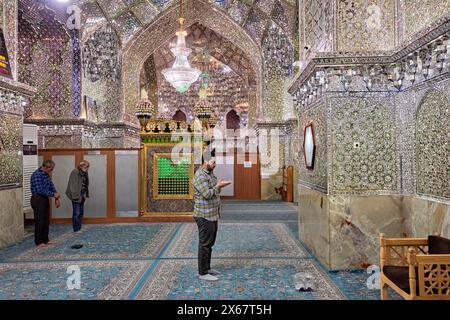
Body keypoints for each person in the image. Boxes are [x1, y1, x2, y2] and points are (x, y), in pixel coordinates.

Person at [192, 150, 231, 281]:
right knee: (204, 243)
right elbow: (207, 194)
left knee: (210, 243)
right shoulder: (200, 176)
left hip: (212, 214)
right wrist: (218, 186)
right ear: (205, 161)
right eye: (213, 162)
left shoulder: (209, 173)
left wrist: (218, 185)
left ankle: (207, 267)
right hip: (204, 215)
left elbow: (213, 190)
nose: (215, 165)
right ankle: (202, 273)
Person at [30, 160, 60, 247]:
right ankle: (39, 242)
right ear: (45, 167)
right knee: (40, 221)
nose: (51, 171)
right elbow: (40, 190)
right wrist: (53, 194)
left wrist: (56, 197)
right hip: (37, 199)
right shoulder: (36, 175)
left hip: (45, 199)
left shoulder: (46, 175)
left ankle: (45, 239)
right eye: (51, 169)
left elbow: (51, 186)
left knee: (46, 221)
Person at [66, 160, 90, 233]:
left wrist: (85, 194)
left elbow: (86, 184)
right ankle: (76, 229)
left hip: (82, 194)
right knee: (76, 212)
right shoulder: (75, 172)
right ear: (81, 166)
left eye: (88, 167)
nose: (87, 168)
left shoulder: (85, 172)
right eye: (86, 166)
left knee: (81, 212)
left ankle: (79, 227)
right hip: (76, 194)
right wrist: (76, 196)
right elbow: (73, 186)